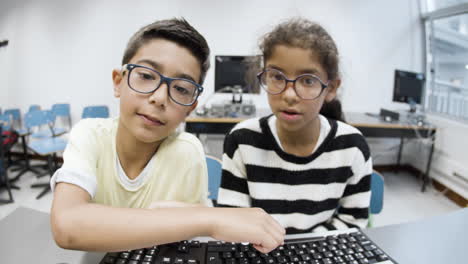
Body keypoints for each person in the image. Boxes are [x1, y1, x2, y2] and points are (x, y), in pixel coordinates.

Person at [50, 18, 284, 253]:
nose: (160, 98)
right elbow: (67, 224)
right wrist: (210, 218)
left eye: (181, 89)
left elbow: (185, 244)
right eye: (146, 75)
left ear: (190, 108)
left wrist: (192, 219)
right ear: (118, 82)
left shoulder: (187, 152)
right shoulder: (89, 135)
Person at [217, 18, 372, 234]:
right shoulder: (242, 139)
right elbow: (234, 220)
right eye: (277, 77)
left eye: (308, 80)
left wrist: (305, 249)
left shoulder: (352, 146)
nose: (289, 95)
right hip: (259, 250)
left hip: (320, 251)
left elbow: (352, 221)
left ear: (331, 88)